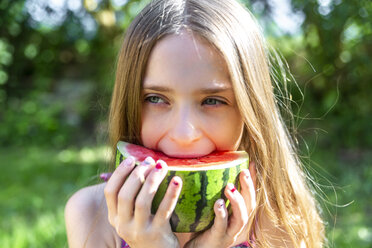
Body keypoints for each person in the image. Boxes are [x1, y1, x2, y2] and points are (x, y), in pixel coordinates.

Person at [65, 0, 325, 247]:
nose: (183, 134)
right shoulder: (91, 216)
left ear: (250, 112)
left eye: (212, 101)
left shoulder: (281, 222)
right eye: (155, 98)